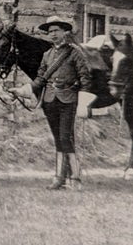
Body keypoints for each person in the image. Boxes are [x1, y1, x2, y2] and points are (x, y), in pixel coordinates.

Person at [32, 16, 93, 191]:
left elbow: (85, 77)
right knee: (58, 140)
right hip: (50, 100)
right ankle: (59, 178)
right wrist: (27, 89)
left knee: (66, 137)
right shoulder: (47, 54)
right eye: (50, 32)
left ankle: (75, 177)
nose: (53, 34)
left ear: (64, 32)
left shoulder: (75, 52)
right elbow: (40, 77)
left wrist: (83, 102)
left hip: (68, 99)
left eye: (56, 30)